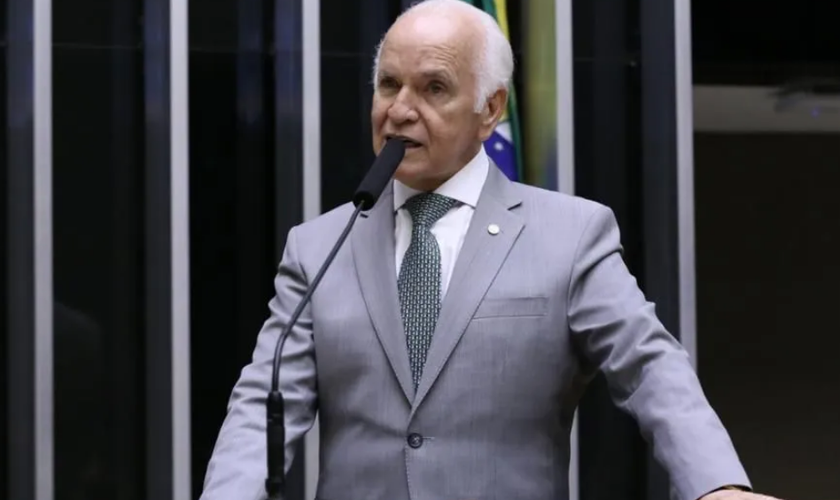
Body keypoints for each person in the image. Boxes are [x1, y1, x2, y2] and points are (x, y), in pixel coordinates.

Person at [200, 1, 781, 499]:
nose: (400, 109)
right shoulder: (319, 246)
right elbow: (262, 405)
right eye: (388, 84)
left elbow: (650, 366)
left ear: (491, 110)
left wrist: (716, 484)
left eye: (433, 88)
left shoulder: (570, 234)